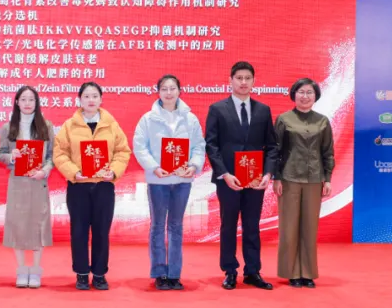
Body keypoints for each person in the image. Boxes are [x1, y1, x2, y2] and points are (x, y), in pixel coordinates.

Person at [204, 61, 279, 291]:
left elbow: (272, 146)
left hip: (255, 180)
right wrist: (224, 174)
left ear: (254, 81)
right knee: (228, 225)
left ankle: (253, 271)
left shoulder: (263, 110)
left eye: (248, 78)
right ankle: (230, 271)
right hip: (228, 180)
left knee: (252, 225)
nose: (243, 82)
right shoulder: (217, 109)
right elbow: (211, 145)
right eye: (239, 78)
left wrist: (268, 173)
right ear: (230, 81)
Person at [53, 82, 131, 291]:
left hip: (104, 186)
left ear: (101, 99)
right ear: (79, 100)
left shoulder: (111, 125)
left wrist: (113, 171)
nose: (90, 100)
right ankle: (81, 273)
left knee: (101, 231)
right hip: (78, 186)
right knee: (78, 230)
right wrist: (73, 172)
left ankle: (99, 274)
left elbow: (123, 152)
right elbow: (60, 154)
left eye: (95, 96)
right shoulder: (69, 126)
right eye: (86, 96)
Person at [132, 74, 206, 291]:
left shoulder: (190, 119)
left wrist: (193, 166)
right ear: (158, 92)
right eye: (164, 89)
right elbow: (140, 147)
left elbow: (199, 146)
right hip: (158, 180)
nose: (169, 93)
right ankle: (159, 273)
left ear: (179, 91)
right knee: (157, 226)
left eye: (172, 88)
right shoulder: (148, 119)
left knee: (176, 226)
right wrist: (154, 167)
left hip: (182, 180)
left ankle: (174, 273)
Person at [273, 78, 335, 289]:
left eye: (309, 92)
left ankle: (307, 273)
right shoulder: (284, 119)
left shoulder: (323, 121)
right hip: (289, 178)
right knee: (289, 228)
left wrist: (328, 178)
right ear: (294, 94)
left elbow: (327, 152)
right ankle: (291, 272)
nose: (305, 96)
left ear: (315, 96)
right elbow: (276, 151)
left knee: (309, 228)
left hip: (314, 179)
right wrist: (276, 177)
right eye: (301, 92)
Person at [0, 85, 54, 289]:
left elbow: (51, 156)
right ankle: (21, 269)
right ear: (17, 102)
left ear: (36, 103)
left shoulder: (46, 126)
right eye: (23, 99)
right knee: (17, 224)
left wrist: (44, 170)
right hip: (18, 182)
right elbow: (0, 153)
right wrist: (11, 156)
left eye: (31, 99)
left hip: (38, 182)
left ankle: (36, 270)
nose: (27, 103)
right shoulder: (8, 128)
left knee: (39, 224)